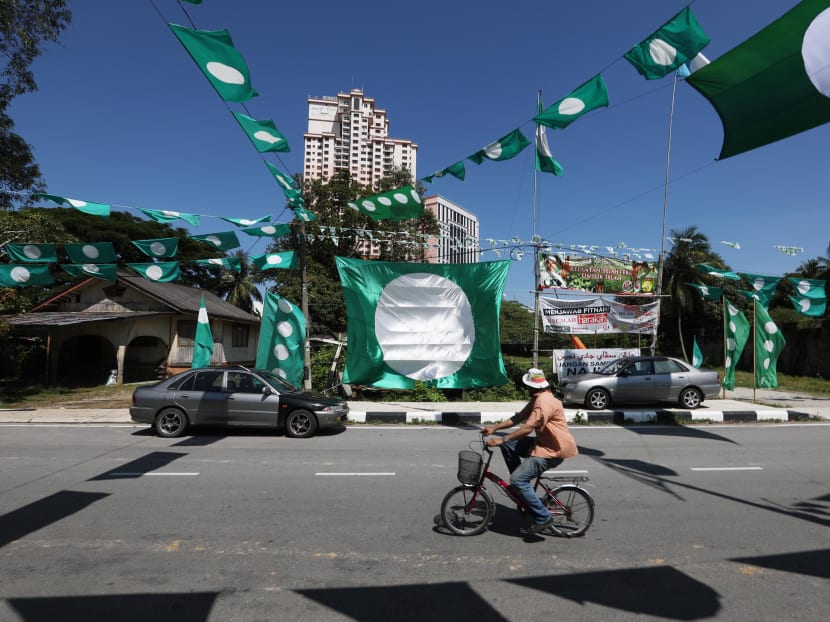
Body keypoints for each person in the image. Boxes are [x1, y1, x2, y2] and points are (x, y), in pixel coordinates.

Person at [481, 368, 578, 535]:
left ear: (533, 387)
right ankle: (522, 493)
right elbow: (518, 418)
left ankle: (543, 517)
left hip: (552, 450)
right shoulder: (538, 398)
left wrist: (502, 438)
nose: (526, 389)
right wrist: (494, 428)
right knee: (508, 446)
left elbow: (527, 428)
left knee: (517, 479)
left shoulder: (543, 402)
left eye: (527, 386)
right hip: (542, 443)